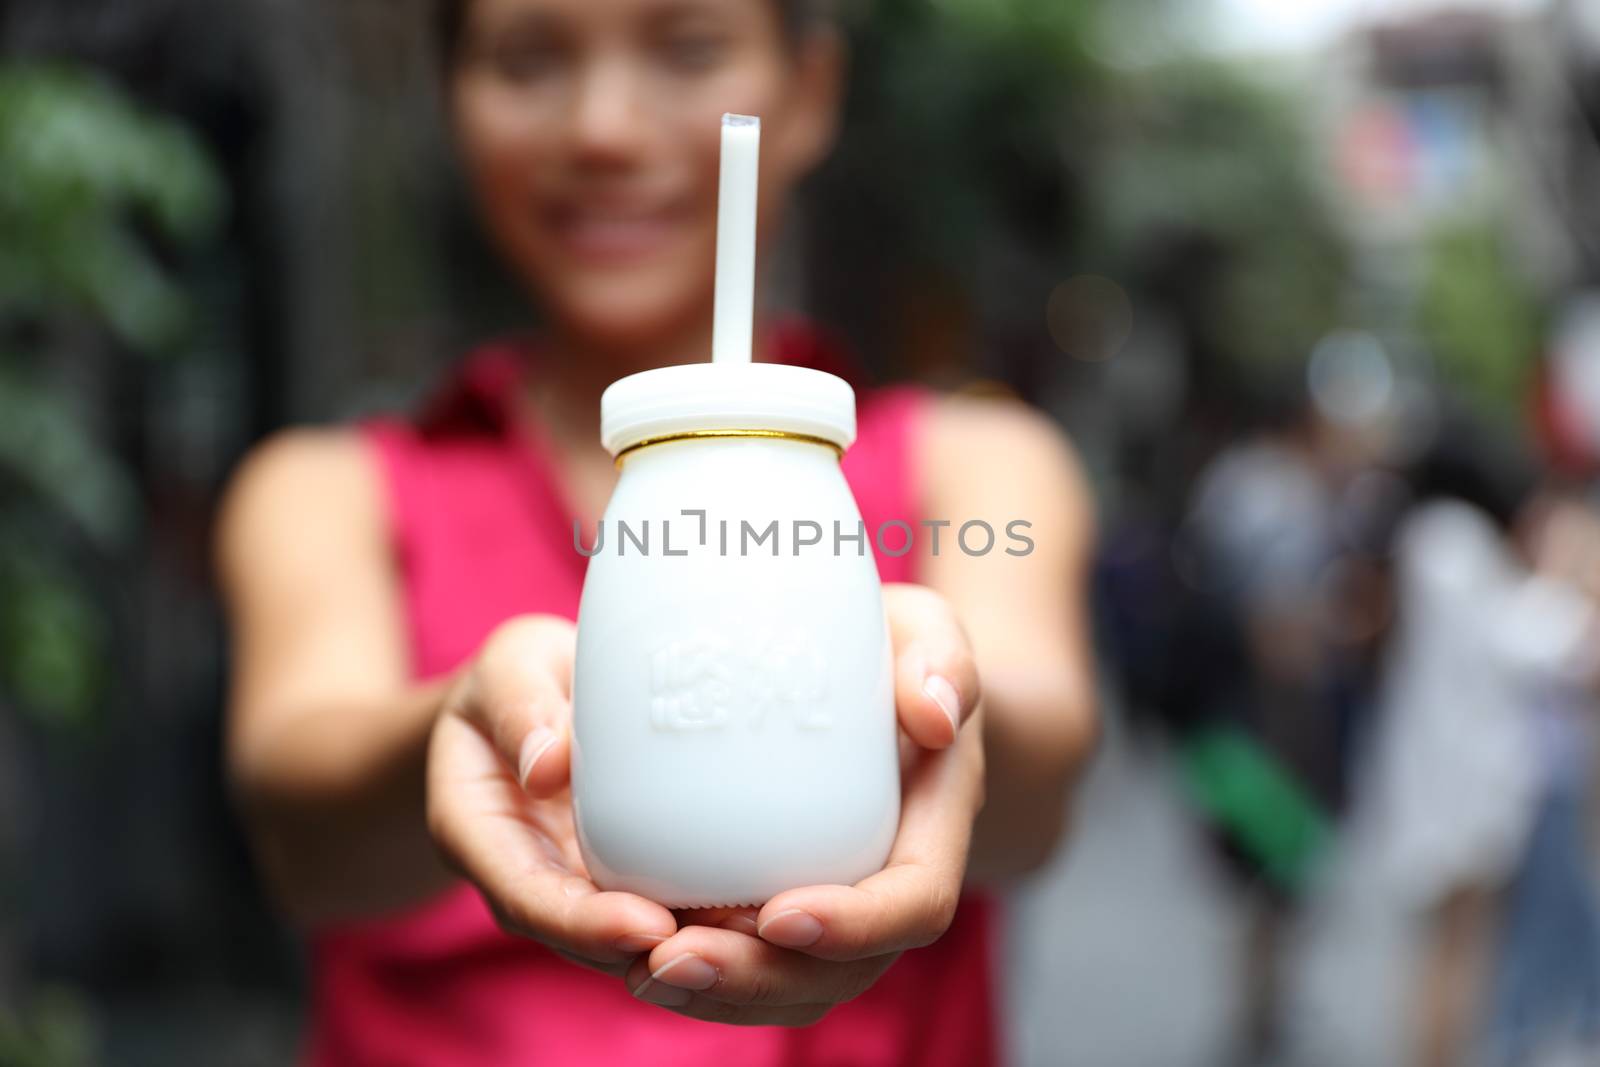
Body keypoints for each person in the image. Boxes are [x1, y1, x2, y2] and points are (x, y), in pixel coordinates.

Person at [215, 0, 1098, 1063]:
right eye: (529, 59)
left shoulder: (975, 460)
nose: (605, 128)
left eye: (687, 49)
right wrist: (462, 723)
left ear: (807, 91)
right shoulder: (327, 487)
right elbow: (298, 818)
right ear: (450, 98)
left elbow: (1041, 760)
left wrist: (938, 710)